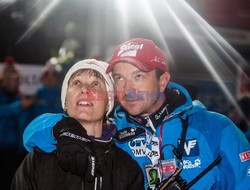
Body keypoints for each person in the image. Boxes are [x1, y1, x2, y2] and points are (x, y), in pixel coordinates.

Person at [21, 38, 250, 189]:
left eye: (138, 76)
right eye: (119, 78)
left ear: (162, 82)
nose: (127, 89)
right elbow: (34, 134)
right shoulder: (111, 132)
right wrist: (58, 127)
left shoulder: (217, 129)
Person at [11, 59, 144, 190]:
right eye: (76, 82)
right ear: (65, 101)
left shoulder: (128, 168)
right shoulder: (38, 160)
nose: (85, 89)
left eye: (96, 84)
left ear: (108, 103)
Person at [0, 56, 36, 189]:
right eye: (10, 79)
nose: (13, 82)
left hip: (15, 153)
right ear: (4, 79)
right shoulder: (19, 102)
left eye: (16, 79)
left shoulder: (22, 98)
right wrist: (20, 106)